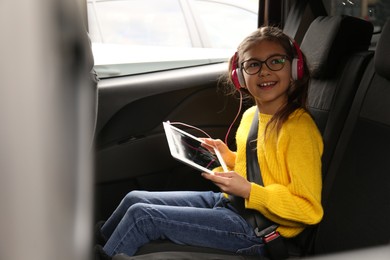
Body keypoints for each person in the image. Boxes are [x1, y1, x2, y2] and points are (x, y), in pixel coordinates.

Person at [94, 26, 324, 259]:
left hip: (261, 230)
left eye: (276, 61)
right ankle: (101, 244)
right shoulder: (251, 116)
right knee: (134, 198)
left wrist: (248, 190)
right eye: (253, 65)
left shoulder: (298, 129)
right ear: (240, 75)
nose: (264, 71)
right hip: (235, 204)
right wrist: (228, 158)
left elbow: (308, 209)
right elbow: (263, 169)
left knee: (143, 217)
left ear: (295, 68)